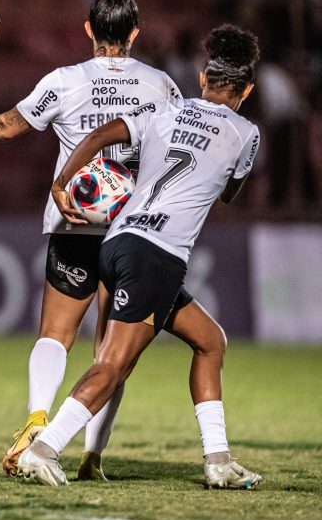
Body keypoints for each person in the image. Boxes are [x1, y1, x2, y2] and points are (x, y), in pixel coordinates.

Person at [0, 0, 184, 480]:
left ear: (87, 29)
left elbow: (7, 124)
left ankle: (35, 423)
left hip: (74, 220)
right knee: (111, 352)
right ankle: (91, 457)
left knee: (54, 334)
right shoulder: (162, 86)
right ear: (136, 33)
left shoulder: (66, 80)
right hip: (134, 228)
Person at [17, 24, 263, 490]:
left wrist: (61, 183)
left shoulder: (164, 113)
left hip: (116, 241)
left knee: (211, 341)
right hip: (158, 254)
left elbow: (98, 136)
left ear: (202, 75)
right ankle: (43, 449)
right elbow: (230, 194)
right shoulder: (246, 132)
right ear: (247, 90)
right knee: (113, 365)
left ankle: (218, 459)